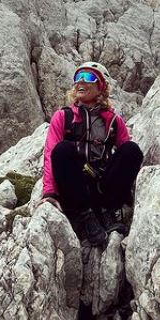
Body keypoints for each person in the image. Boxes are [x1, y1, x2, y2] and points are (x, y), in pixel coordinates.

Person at [39, 61, 143, 246]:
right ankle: (86, 216)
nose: (81, 82)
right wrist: (49, 193)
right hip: (74, 187)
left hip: (101, 187)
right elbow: (49, 154)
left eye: (88, 78)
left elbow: (127, 157)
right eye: (77, 78)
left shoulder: (113, 121)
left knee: (132, 150)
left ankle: (107, 210)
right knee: (62, 150)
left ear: (100, 86)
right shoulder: (63, 116)